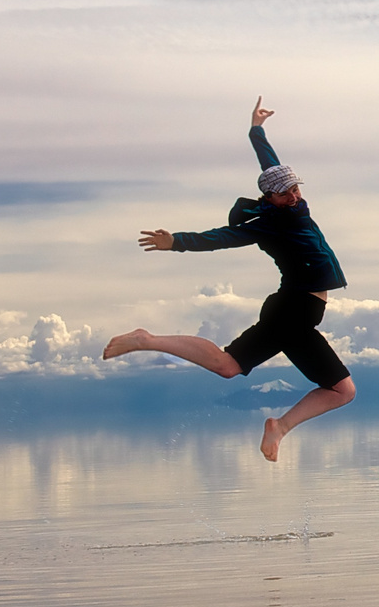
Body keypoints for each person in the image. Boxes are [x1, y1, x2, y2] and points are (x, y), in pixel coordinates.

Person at [105, 97, 356, 461]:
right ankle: (278, 426)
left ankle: (147, 339)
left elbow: (271, 164)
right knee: (339, 390)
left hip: (294, 312)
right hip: (294, 312)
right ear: (269, 198)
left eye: (296, 188)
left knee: (229, 366)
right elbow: (219, 238)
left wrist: (257, 129)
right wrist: (175, 242)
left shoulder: (293, 205)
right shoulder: (267, 224)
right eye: (286, 192)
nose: (295, 195)